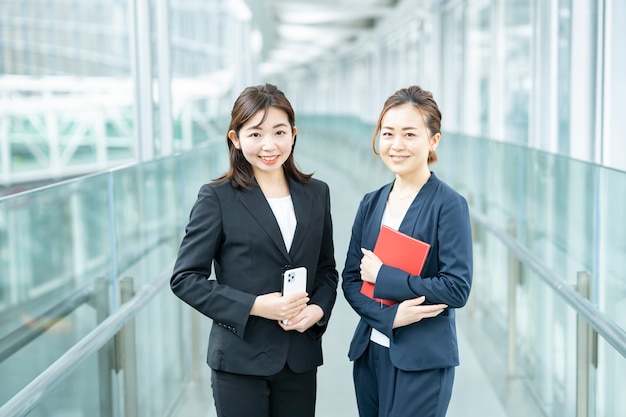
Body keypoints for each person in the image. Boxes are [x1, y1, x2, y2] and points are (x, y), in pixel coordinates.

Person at [170, 83, 339, 417]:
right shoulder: (217, 197)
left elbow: (326, 271)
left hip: (299, 358)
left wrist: (318, 310)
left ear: (293, 134)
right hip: (240, 362)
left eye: (279, 132)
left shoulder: (316, 194)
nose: (269, 145)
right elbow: (185, 278)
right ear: (235, 139)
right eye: (256, 134)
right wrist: (255, 306)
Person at [341, 85, 473, 417]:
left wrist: (386, 278)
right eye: (388, 133)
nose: (396, 145)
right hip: (371, 352)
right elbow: (351, 280)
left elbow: (456, 288)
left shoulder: (449, 205)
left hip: (422, 361)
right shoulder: (371, 203)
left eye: (409, 134)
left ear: (433, 140)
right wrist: (389, 317)